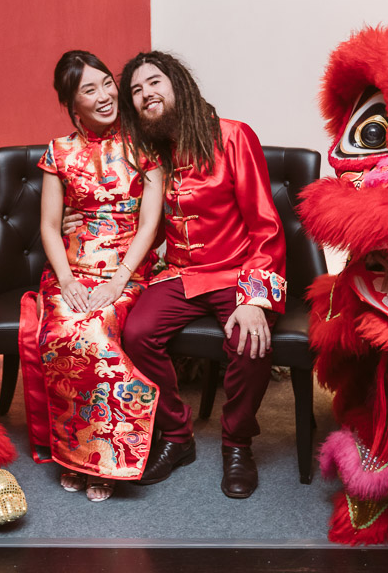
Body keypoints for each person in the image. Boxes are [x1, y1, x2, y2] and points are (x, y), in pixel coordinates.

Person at [117, 51, 286, 499]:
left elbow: (266, 226)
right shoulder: (153, 154)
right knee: (136, 333)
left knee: (250, 342)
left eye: (153, 82)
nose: (145, 94)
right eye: (135, 91)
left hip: (237, 270)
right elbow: (148, 229)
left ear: (177, 85)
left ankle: (237, 444)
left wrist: (253, 298)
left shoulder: (232, 136)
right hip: (180, 274)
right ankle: (177, 437)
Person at [18, 50, 164, 502]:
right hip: (71, 270)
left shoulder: (145, 146)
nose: (104, 96)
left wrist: (119, 280)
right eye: (89, 90)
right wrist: (66, 281)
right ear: (72, 103)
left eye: (106, 83)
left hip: (127, 269)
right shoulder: (58, 152)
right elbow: (48, 225)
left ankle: (106, 459)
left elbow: (150, 225)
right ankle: (74, 455)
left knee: (97, 334)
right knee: (63, 332)